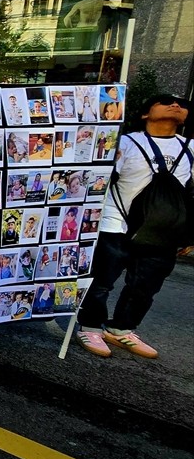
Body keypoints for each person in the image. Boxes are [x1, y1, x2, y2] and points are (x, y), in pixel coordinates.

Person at [76, 95, 192, 359]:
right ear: (144, 114)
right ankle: (90, 325)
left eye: (181, 104)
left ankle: (121, 328)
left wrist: (188, 233)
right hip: (115, 224)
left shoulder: (191, 148)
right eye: (165, 102)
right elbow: (100, 180)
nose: (175, 105)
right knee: (101, 281)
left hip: (163, 233)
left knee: (146, 286)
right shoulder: (125, 143)